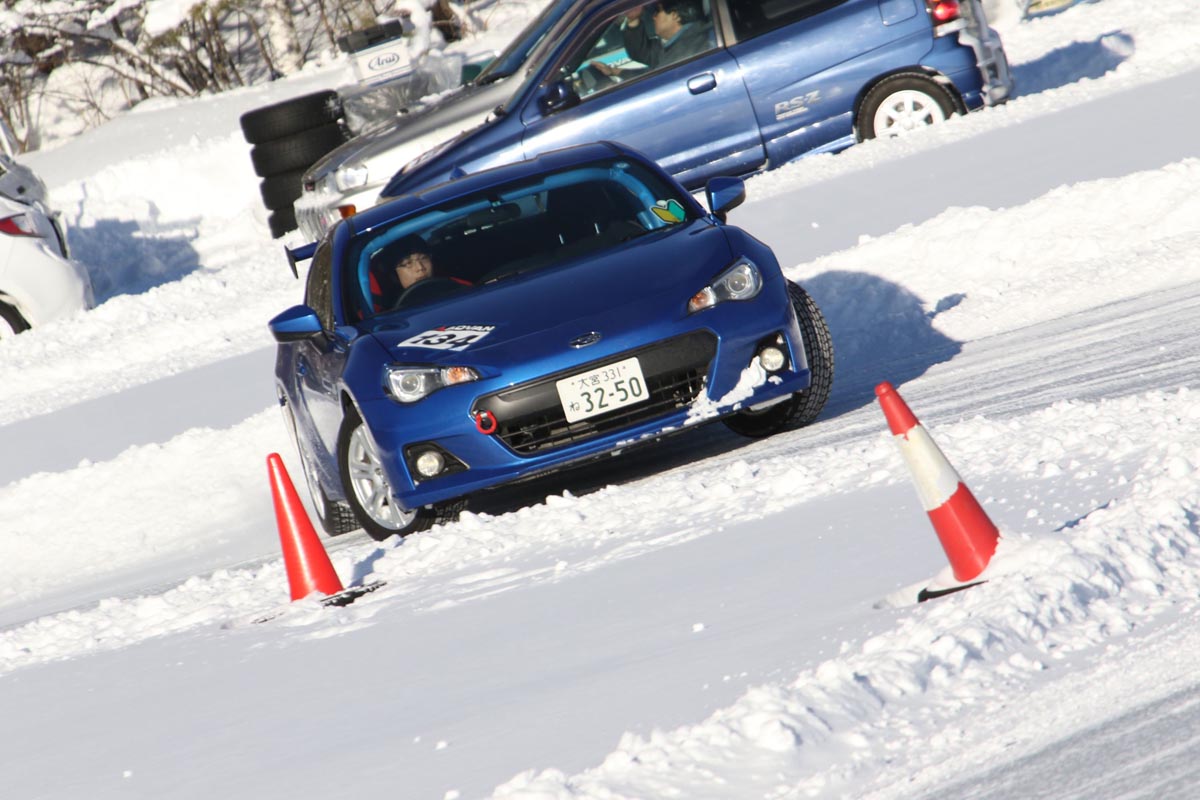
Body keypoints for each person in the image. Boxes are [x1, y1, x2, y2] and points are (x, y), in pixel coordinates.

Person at [595, 0, 710, 76]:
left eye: (658, 12)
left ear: (675, 15)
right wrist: (615, 71)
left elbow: (654, 77)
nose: (653, 17)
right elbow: (643, 52)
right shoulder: (681, 40)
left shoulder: (687, 48)